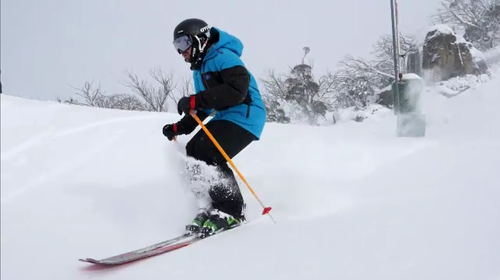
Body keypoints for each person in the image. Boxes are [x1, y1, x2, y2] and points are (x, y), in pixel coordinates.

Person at [162, 18, 267, 236]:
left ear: (199, 39)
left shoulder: (224, 56)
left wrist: (194, 100)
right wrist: (178, 127)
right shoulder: (199, 70)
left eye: (183, 44)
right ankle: (210, 205)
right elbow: (202, 108)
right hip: (227, 115)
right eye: (176, 47)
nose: (181, 52)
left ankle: (232, 211)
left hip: (247, 115)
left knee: (209, 151)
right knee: (193, 149)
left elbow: (237, 90)